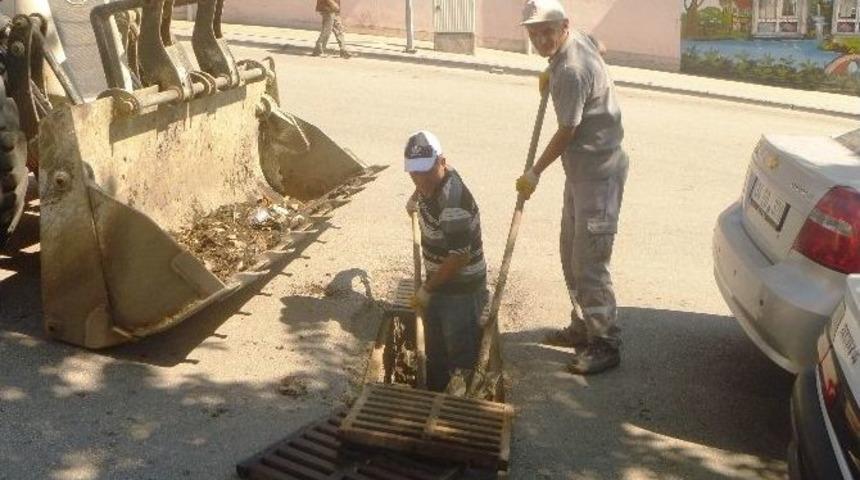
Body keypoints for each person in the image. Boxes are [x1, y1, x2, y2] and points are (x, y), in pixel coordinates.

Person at [516, 0, 628, 375]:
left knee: (590, 262)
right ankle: (583, 327)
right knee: (570, 251)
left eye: (547, 31)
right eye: (534, 33)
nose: (541, 39)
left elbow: (568, 130)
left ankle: (605, 343)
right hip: (582, 172)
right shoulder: (578, 41)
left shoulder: (571, 71)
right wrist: (555, 67)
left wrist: (534, 172)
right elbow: (600, 44)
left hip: (599, 173)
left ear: (564, 26)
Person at [404, 131, 488, 391]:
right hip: (440, 282)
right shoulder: (430, 181)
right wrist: (415, 198)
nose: (420, 179)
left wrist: (427, 289)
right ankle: (435, 385)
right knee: (435, 346)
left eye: (425, 172)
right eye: (414, 173)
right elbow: (424, 185)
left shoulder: (453, 203)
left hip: (461, 289)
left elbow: (459, 257)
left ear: (442, 161)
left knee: (460, 349)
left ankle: (462, 396)